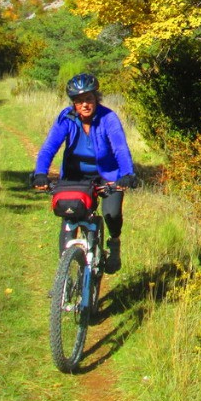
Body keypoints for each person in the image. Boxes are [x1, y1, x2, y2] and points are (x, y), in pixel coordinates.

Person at [32, 73, 136, 273]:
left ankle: (114, 243)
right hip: (76, 175)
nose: (84, 105)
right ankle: (66, 275)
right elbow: (48, 148)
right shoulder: (66, 118)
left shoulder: (108, 118)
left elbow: (120, 149)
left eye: (88, 99)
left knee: (111, 213)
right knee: (69, 214)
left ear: (96, 98)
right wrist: (40, 173)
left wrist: (127, 174)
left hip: (107, 175)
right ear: (73, 104)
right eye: (79, 101)